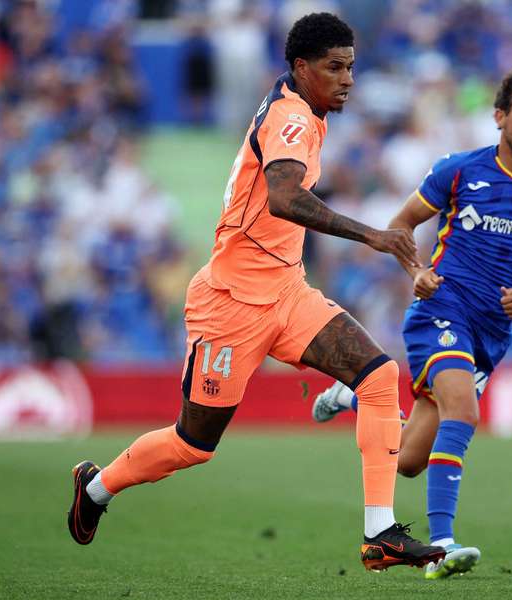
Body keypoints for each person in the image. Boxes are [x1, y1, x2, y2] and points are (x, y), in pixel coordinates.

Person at [67, 12, 446, 572]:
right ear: (301, 67)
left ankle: (380, 534)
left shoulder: (300, 108)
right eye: (334, 67)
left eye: (351, 67)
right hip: (231, 304)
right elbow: (284, 198)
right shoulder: (292, 117)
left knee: (378, 376)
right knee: (193, 444)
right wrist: (372, 235)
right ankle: (96, 488)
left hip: (287, 292)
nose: (347, 79)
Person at [312, 66, 512, 579]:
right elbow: (400, 226)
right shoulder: (459, 171)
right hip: (442, 310)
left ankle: (352, 398)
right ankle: (441, 544)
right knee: (464, 409)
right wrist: (416, 271)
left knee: (410, 459)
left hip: (493, 333)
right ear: (500, 116)